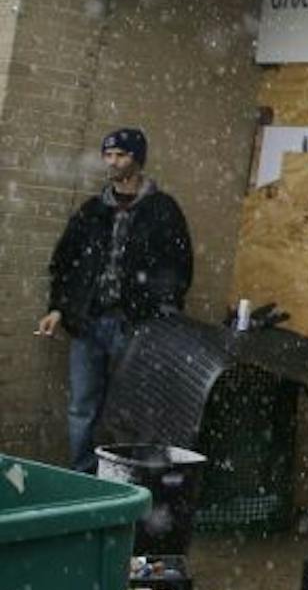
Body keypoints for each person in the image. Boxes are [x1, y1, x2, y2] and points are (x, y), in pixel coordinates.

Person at [37, 127, 193, 471]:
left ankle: (119, 480)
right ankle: (82, 476)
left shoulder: (162, 210)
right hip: (88, 322)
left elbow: (178, 267)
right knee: (82, 406)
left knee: (128, 409)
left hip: (135, 325)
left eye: (120, 155)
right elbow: (65, 263)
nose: (112, 161)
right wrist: (58, 308)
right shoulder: (93, 210)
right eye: (108, 155)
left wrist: (159, 311)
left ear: (137, 160)